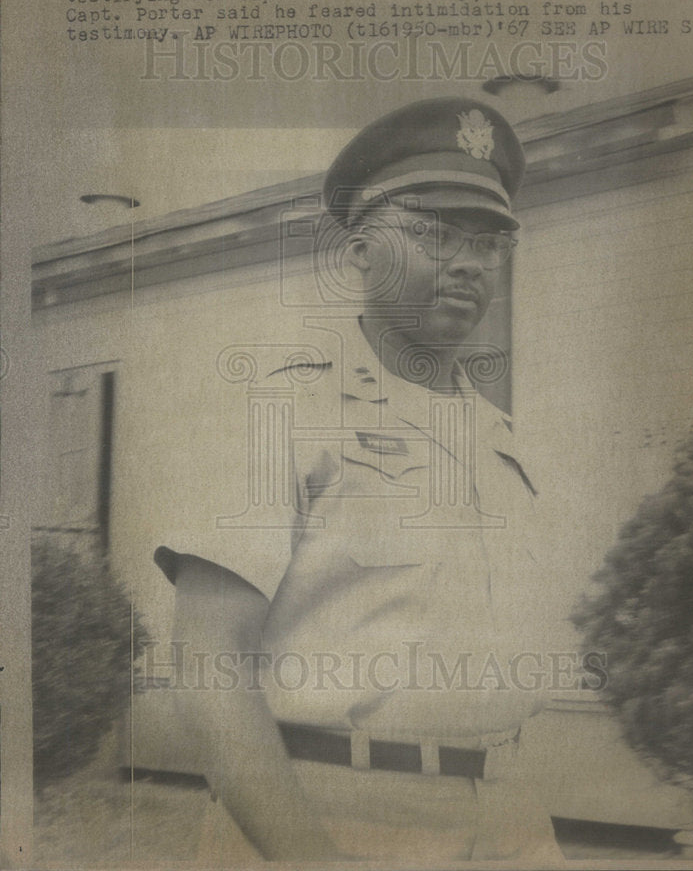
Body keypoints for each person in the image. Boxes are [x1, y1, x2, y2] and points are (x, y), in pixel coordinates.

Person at [154, 98, 564, 864]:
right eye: (435, 234)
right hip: (331, 812)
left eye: (487, 242)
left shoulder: (501, 440)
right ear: (360, 253)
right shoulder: (281, 413)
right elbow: (210, 668)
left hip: (508, 815)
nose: (469, 262)